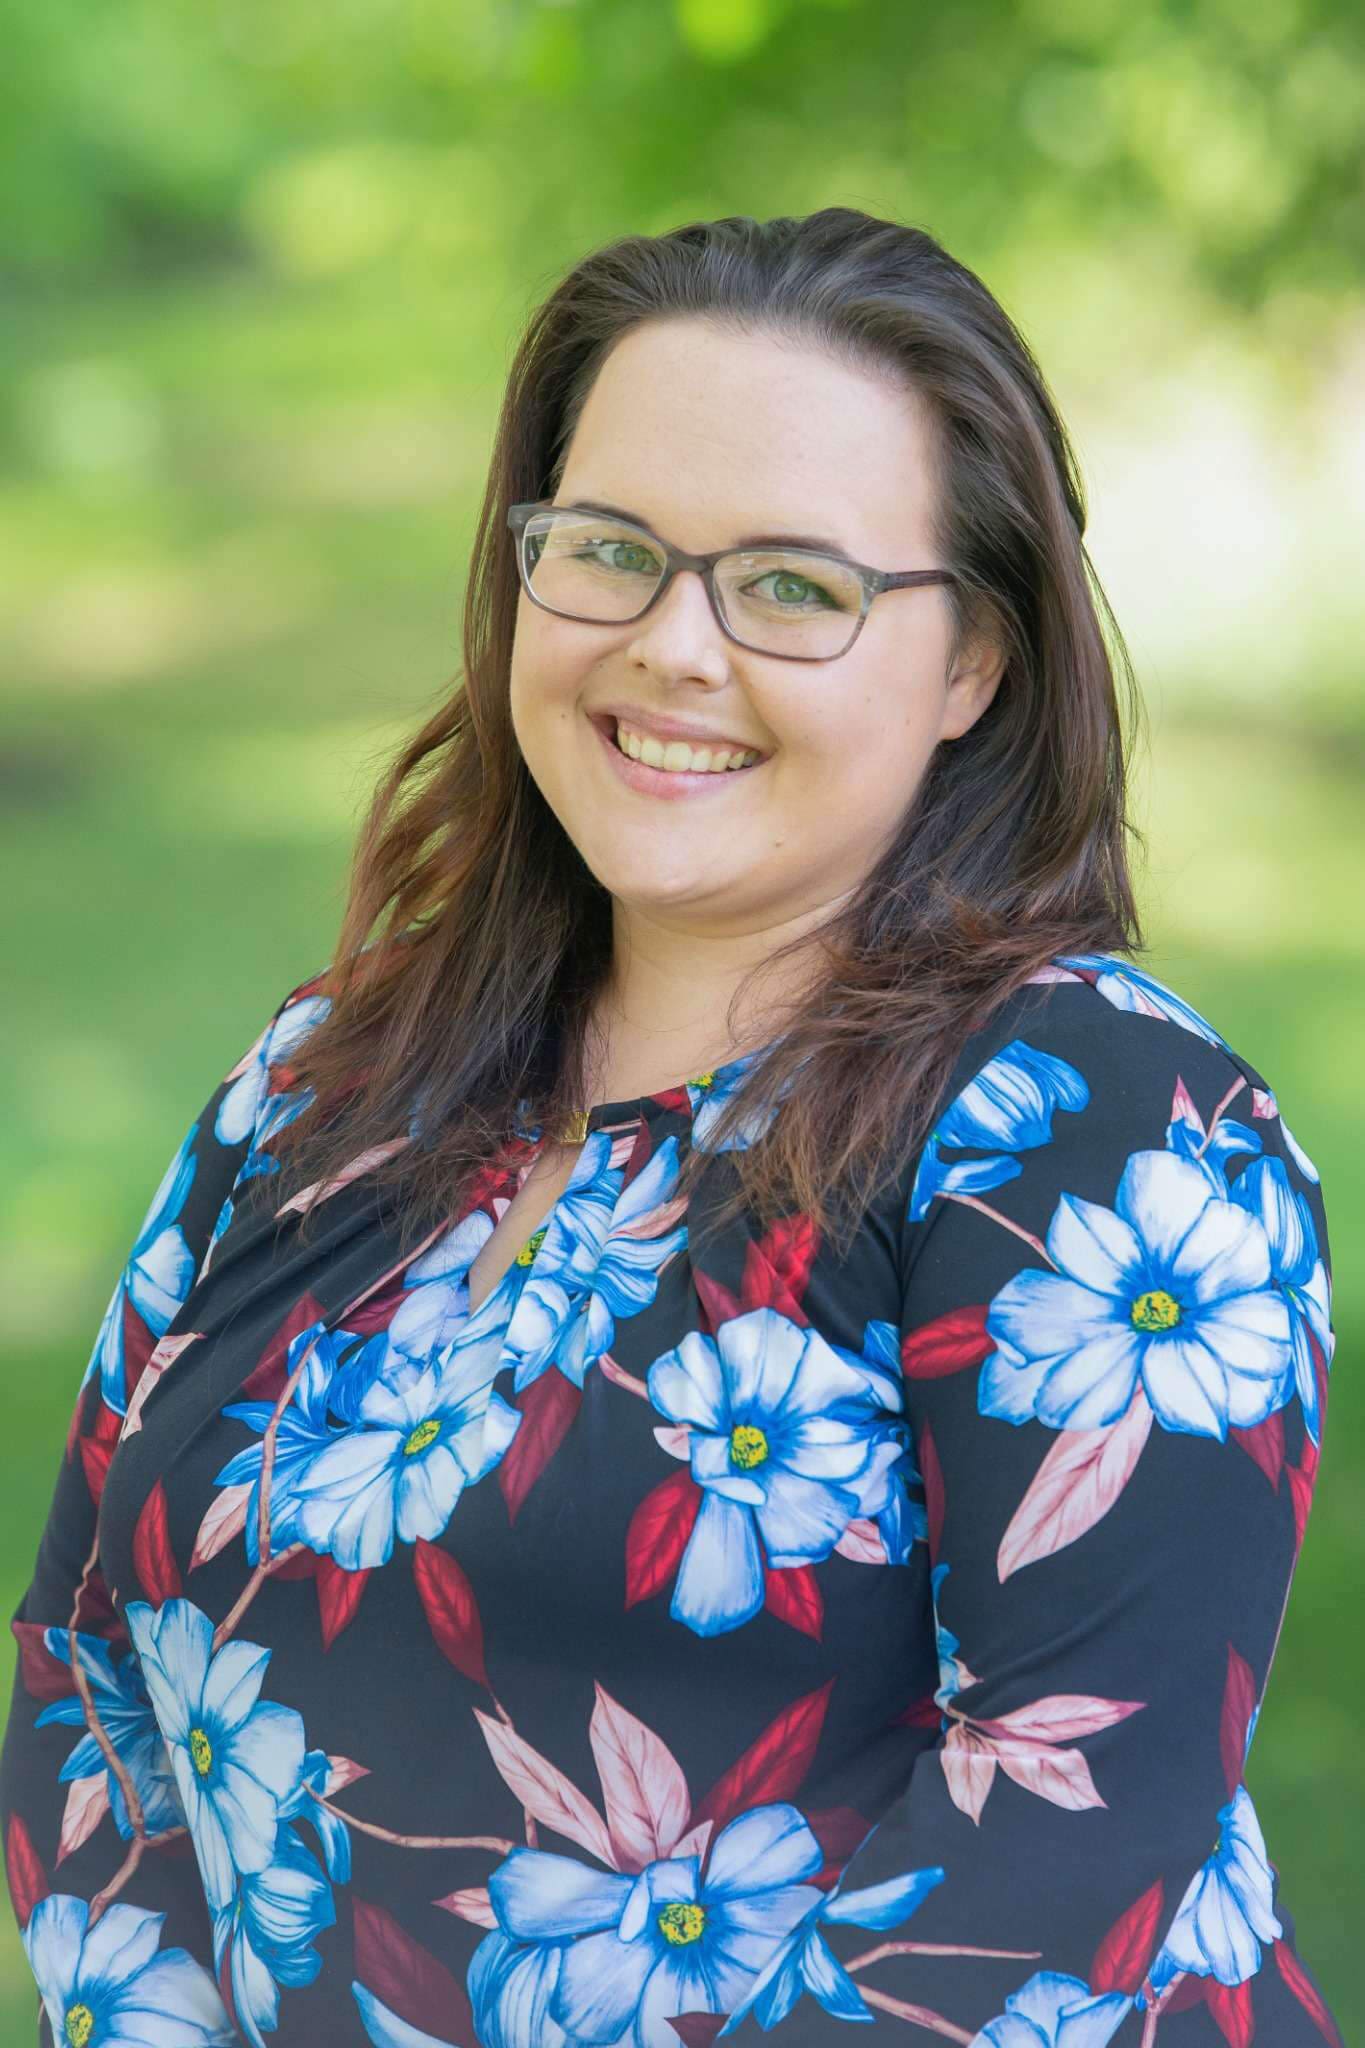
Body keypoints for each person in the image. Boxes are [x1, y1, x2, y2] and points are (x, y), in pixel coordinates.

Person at [0, 209, 1340, 2048]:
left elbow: (1061, 1848)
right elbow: (88, 1667)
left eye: (792, 585)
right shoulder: (317, 1088)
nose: (670, 648)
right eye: (608, 553)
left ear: (974, 668)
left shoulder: (1092, 1125)